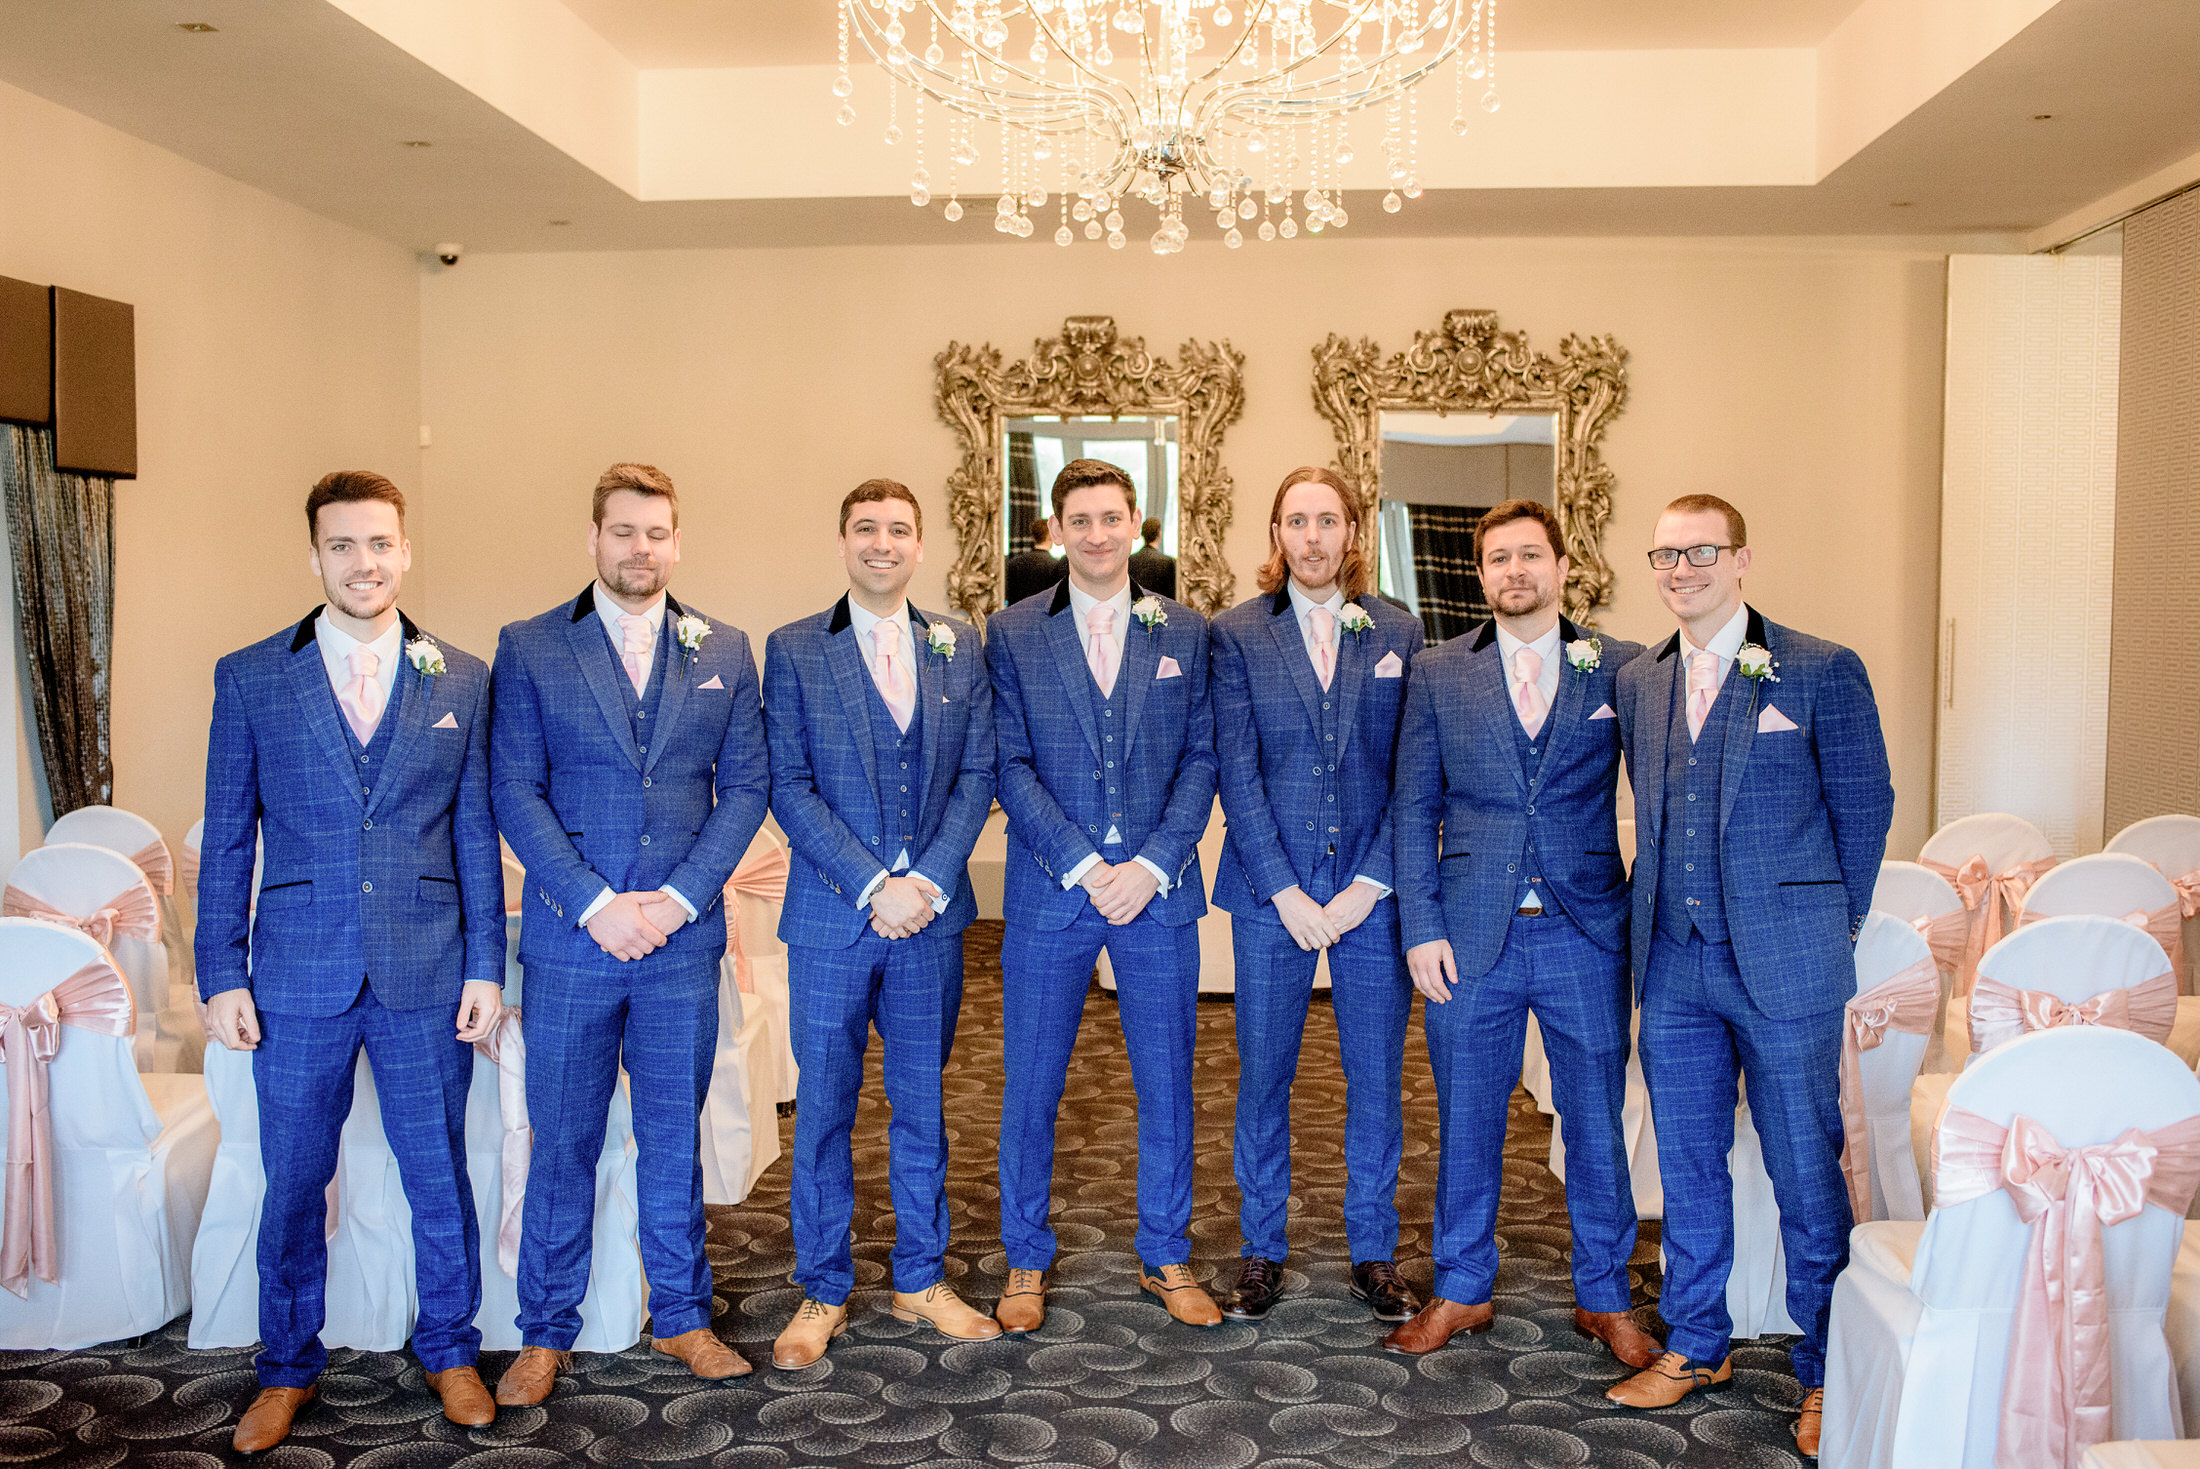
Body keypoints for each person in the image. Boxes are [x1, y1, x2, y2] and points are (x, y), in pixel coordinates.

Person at [198, 470, 506, 1451]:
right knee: (290, 1176)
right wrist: (220, 969)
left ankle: (451, 1347)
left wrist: (486, 965)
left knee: (438, 1170)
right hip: (295, 972)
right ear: (315, 555)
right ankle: (286, 1365)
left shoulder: (461, 677)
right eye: (343, 545)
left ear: (404, 551)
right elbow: (231, 844)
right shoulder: (250, 676)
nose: (363, 562)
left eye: (379, 544)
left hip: (427, 967)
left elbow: (473, 833)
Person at [1606, 494, 1893, 1459]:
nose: (1680, 568)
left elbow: (1865, 810)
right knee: (1687, 1162)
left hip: (1785, 966)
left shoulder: (1819, 667)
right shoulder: (1641, 681)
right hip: (1675, 964)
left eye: (1699, 551)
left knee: (1805, 1167)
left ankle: (1825, 1366)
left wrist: (1829, 927)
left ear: (1741, 559)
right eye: (1664, 553)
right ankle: (1696, 1341)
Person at [488, 462, 770, 1403]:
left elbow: (748, 790)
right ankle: (544, 1329)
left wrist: (681, 899)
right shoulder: (529, 646)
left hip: (682, 945)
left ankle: (683, 1315)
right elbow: (514, 791)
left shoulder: (725, 646)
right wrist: (597, 903)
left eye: (656, 534)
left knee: (670, 1134)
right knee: (561, 1136)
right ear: (594, 537)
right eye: (623, 532)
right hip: (573, 942)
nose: (640, 549)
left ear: (676, 541)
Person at [1384, 499, 1655, 1368]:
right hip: (1468, 935)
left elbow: (1664, 796)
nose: (1514, 571)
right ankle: (1461, 1285)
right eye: (1498, 558)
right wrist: (1420, 925)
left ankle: (1606, 1296)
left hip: (1586, 930)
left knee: (1596, 1121)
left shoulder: (1622, 666)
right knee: (1465, 1116)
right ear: (1480, 574)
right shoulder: (1439, 671)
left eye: (1530, 555)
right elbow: (1414, 804)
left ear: (1563, 565)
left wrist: (1642, 914)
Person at [761, 480, 999, 1368]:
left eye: (899, 529)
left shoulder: (956, 644)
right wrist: (872, 885)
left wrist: (931, 880)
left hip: (931, 921)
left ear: (920, 544)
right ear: (842, 541)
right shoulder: (792, 650)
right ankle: (821, 1288)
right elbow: (788, 784)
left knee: (924, 1105)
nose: (883, 543)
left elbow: (979, 771)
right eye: (867, 529)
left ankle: (919, 1277)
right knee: (823, 1109)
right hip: (832, 919)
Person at [988, 457, 1220, 1331]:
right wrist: (1086, 865)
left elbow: (1203, 756)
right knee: (1031, 1082)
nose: (1095, 533)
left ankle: (1166, 1253)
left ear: (1135, 525)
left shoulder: (1186, 632)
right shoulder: (1009, 632)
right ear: (1055, 532)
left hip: (1157, 893)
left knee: (1167, 1081)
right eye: (1078, 519)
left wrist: (1153, 863)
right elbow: (1009, 764)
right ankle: (1023, 1258)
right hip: (1054, 891)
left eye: (1110, 517)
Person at [1208, 467, 1424, 1325]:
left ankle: (1373, 1249)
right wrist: (1285, 888)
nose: (1311, 536)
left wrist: (1371, 882)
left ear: (1352, 531)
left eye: (1326, 520)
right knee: (1264, 1073)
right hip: (1273, 896)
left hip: (1374, 896)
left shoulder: (1399, 629)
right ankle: (1262, 1247)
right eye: (1295, 520)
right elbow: (1236, 768)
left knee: (1377, 1078)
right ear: (1276, 534)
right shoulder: (1237, 634)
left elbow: (1414, 771)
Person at [1005, 515, 1068, 607]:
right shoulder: (1056, 566)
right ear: (1051, 537)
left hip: (1015, 615)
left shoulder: (1014, 563)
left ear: (1033, 537)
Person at [1129, 515, 1177, 599]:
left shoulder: (1130, 560)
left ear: (1143, 534)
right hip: (1161, 609)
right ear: (1159, 533)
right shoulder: (1168, 562)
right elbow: (1171, 595)